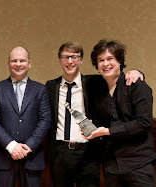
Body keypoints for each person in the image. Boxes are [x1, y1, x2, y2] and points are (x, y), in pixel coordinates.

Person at [46, 42, 144, 187]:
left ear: (81, 60)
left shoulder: (95, 82)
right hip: (59, 153)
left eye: (75, 57)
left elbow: (117, 76)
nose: (70, 61)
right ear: (60, 60)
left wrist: (137, 72)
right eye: (65, 57)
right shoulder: (50, 86)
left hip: (87, 153)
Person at [84, 39, 156, 187]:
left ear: (120, 61)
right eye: (101, 60)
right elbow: (99, 120)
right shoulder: (97, 88)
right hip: (110, 164)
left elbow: (144, 123)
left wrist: (108, 131)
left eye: (110, 59)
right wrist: (93, 127)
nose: (105, 64)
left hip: (138, 163)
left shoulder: (137, 85)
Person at [0, 46, 51, 187]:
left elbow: (45, 120)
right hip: (3, 157)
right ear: (8, 64)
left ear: (29, 63)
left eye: (22, 60)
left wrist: (28, 146)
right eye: (14, 60)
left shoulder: (41, 90)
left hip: (32, 158)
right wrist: (12, 146)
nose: (18, 64)